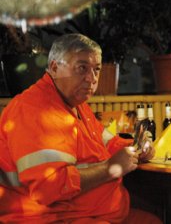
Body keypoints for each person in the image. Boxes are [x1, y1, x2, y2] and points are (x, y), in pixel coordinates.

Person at [0, 33, 159, 223]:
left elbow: (106, 143)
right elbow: (48, 188)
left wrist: (138, 148)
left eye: (96, 69)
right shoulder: (35, 110)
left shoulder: (75, 104)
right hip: (52, 220)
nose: (92, 78)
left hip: (89, 215)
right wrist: (111, 168)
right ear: (54, 68)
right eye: (82, 68)